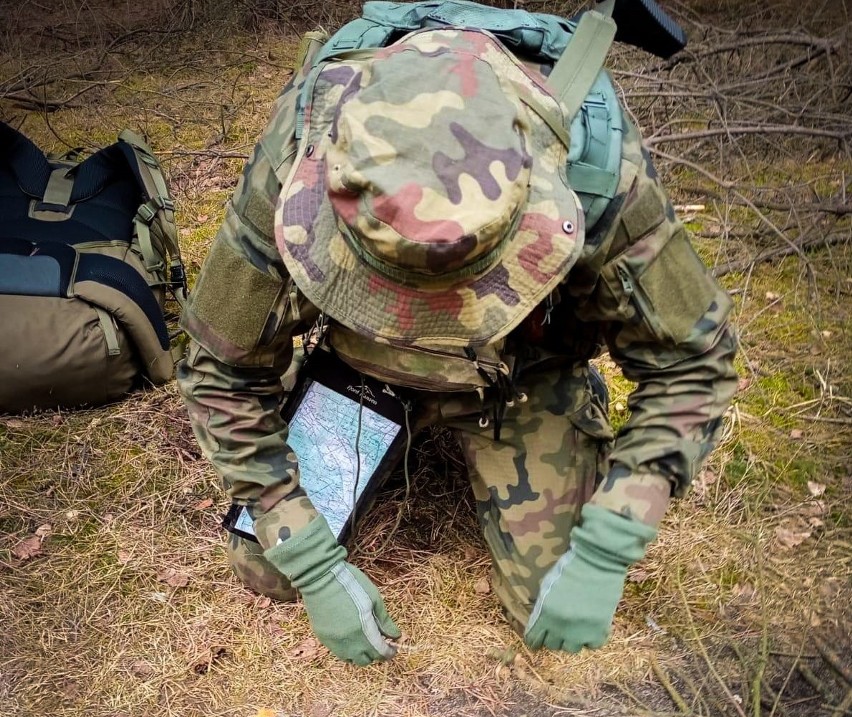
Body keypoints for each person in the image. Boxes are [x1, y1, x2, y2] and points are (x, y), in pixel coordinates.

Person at [176, 10, 738, 667]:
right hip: (363, 373)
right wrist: (309, 557)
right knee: (269, 568)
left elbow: (692, 360)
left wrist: (610, 542)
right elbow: (220, 368)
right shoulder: (303, 153)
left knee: (547, 611)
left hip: (517, 382)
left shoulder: (592, 170)